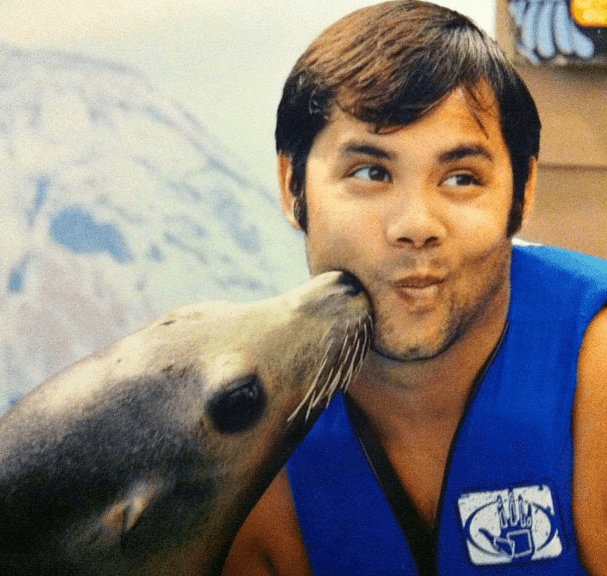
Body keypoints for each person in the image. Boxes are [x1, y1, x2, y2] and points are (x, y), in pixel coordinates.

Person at [222, 2, 607, 575]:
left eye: (460, 179)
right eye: (371, 173)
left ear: (523, 192)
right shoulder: (252, 432)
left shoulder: (592, 361)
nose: (416, 225)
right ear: (292, 184)